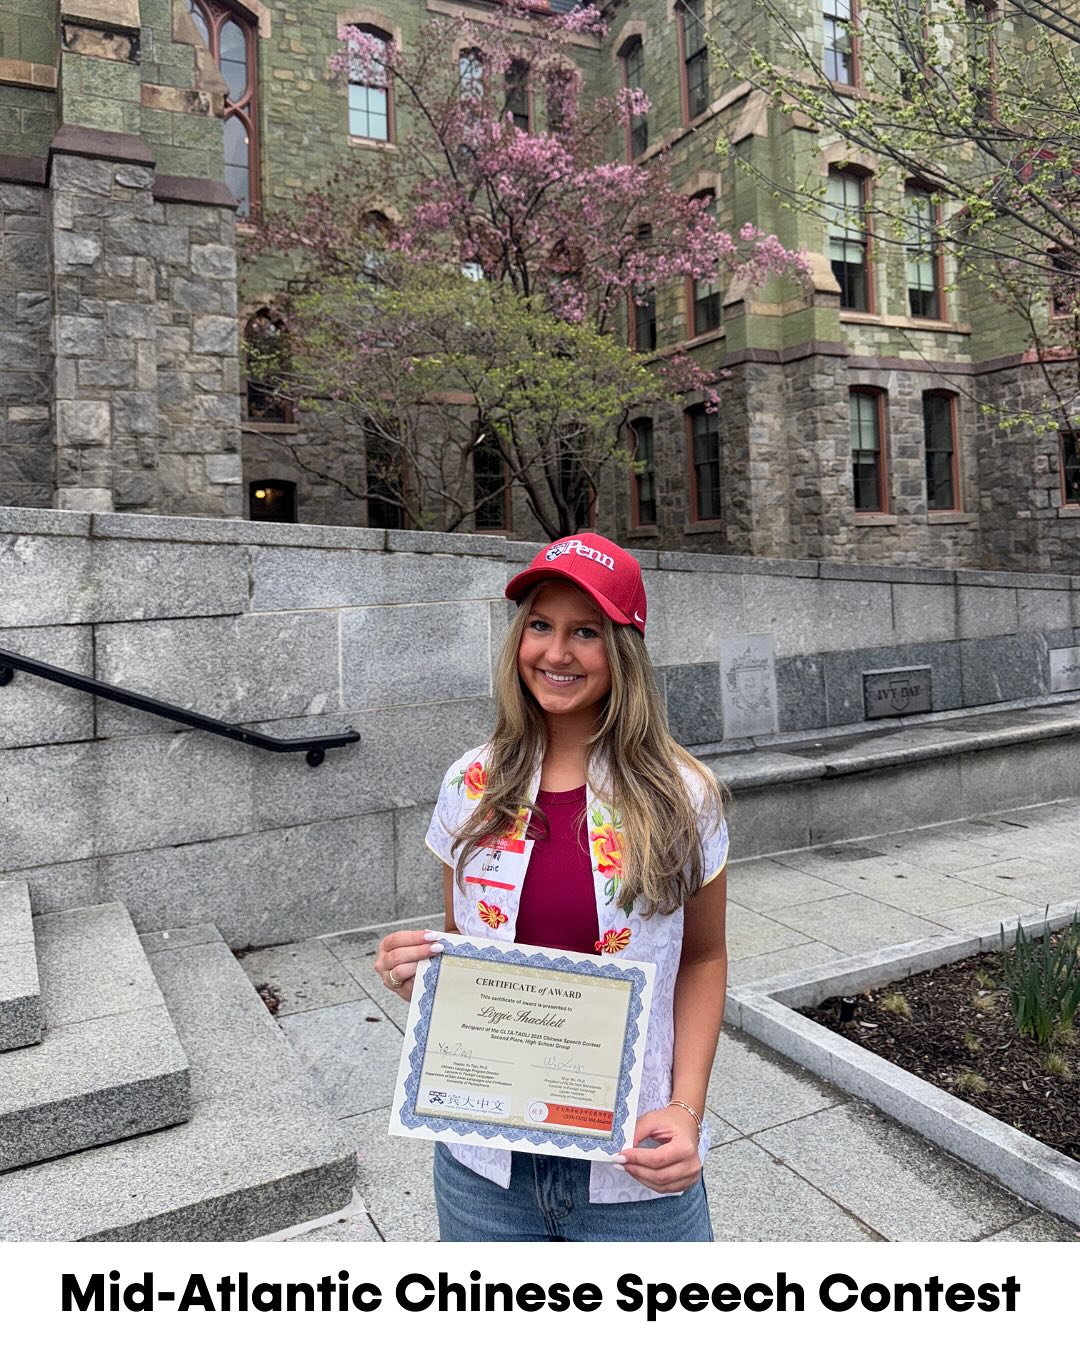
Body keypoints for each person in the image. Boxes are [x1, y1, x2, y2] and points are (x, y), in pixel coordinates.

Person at [374, 532, 728, 1241]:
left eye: (585, 632)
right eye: (540, 625)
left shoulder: (684, 796)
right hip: (484, 1171)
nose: (556, 653)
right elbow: (466, 949)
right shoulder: (468, 784)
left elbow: (703, 958)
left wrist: (686, 1110)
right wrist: (421, 975)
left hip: (636, 1165)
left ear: (623, 650)